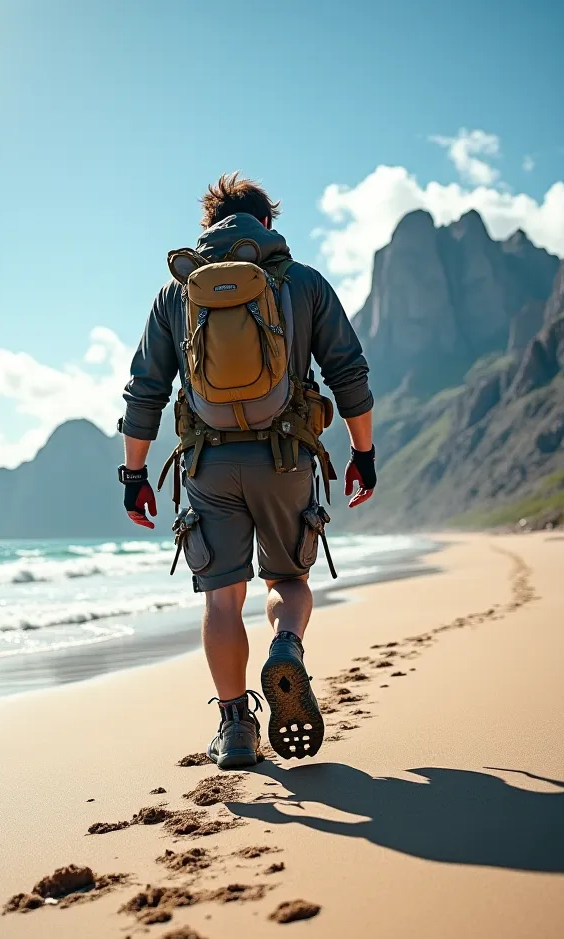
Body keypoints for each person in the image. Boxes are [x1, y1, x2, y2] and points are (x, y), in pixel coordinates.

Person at [119, 173, 376, 769]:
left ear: (209, 224)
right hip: (286, 458)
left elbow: (145, 391)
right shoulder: (304, 282)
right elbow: (349, 373)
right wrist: (362, 453)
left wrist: (134, 475)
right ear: (269, 223)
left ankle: (235, 727)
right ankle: (285, 646)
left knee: (220, 600)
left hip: (208, 464)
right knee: (287, 580)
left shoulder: (177, 291)